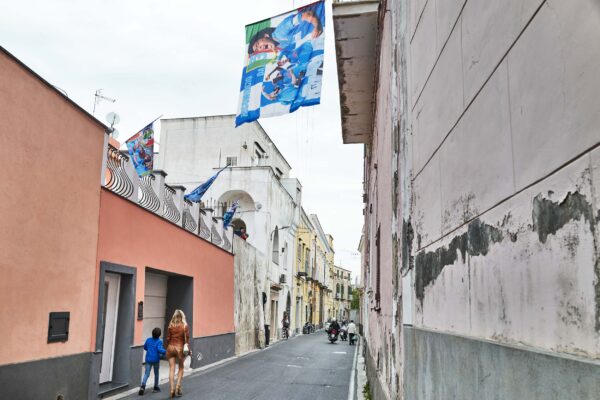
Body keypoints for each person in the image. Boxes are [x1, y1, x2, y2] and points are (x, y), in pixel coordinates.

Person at [165, 309, 191, 398]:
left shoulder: (170, 325)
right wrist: (189, 351)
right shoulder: (184, 326)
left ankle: (172, 389)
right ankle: (178, 386)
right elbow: (187, 340)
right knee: (181, 368)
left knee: (171, 368)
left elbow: (168, 338)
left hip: (170, 347)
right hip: (180, 349)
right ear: (182, 316)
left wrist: (166, 347)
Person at [139, 327, 166, 395]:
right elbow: (159, 349)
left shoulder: (148, 340)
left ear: (152, 333)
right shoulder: (159, 341)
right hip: (156, 360)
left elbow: (145, 347)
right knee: (156, 373)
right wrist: (165, 351)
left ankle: (142, 386)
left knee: (146, 374)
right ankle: (156, 387)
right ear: (159, 335)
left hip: (148, 359)